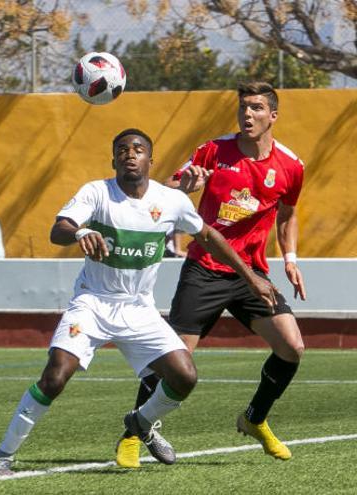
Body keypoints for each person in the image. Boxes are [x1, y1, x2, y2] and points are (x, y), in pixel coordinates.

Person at [0, 129, 276, 476]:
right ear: (113, 160)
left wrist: (251, 277)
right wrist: (80, 232)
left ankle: (142, 421)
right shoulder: (96, 192)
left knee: (185, 377)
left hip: (139, 309)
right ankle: (4, 454)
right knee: (55, 376)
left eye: (138, 149)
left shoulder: (171, 201)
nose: (130, 154)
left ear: (150, 161)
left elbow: (209, 236)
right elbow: (58, 229)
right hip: (93, 302)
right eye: (122, 149)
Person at [115, 82, 307, 468]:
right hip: (205, 268)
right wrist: (185, 186)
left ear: (273, 115)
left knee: (292, 347)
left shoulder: (291, 166)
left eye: (255, 108)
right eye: (242, 107)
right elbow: (165, 186)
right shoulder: (214, 151)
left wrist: (289, 256)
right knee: (174, 359)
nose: (247, 114)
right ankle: (135, 432)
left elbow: (287, 214)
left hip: (251, 272)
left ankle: (254, 419)